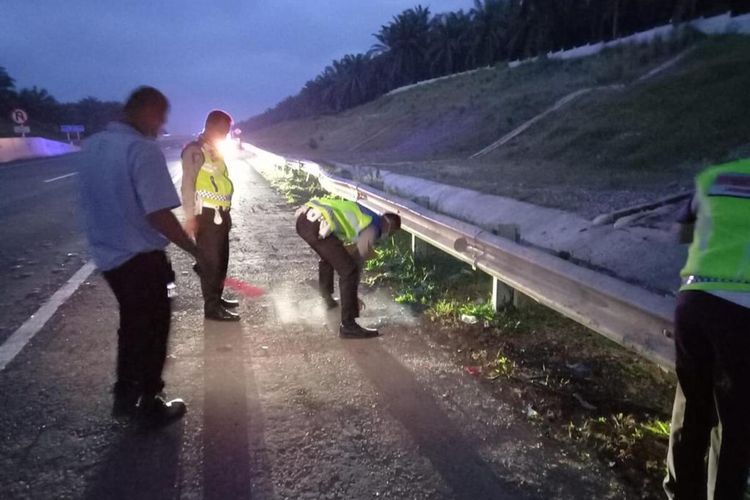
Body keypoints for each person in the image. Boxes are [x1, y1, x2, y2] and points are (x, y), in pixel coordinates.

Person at [78, 86, 198, 426]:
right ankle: (149, 402)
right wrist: (194, 250)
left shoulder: (93, 146)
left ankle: (125, 395)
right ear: (147, 112)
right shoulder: (141, 150)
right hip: (141, 260)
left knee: (132, 325)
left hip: (108, 257)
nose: (161, 126)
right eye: (160, 118)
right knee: (153, 328)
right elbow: (158, 213)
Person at [664, 158, 750, 499]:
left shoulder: (715, 177)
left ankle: (679, 492)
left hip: (694, 302)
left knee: (692, 404)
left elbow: (681, 232)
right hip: (742, 310)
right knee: (733, 420)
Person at [296, 196, 401, 338]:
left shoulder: (366, 214)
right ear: (389, 228)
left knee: (329, 257)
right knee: (349, 271)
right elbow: (357, 261)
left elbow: (346, 247)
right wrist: (353, 298)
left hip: (304, 220)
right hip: (316, 225)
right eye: (392, 233)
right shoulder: (373, 227)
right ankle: (348, 326)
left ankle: (327, 299)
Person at [181, 110, 239, 321]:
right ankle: (211, 308)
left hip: (221, 214)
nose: (225, 135)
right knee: (211, 263)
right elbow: (188, 184)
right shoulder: (194, 151)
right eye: (223, 130)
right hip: (205, 215)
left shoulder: (214, 150)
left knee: (221, 261)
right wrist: (190, 217)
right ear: (211, 126)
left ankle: (217, 298)